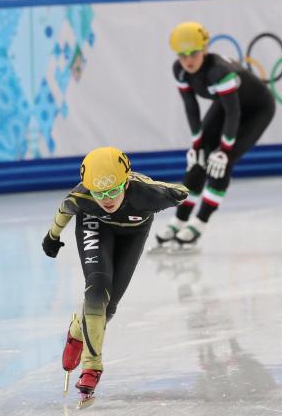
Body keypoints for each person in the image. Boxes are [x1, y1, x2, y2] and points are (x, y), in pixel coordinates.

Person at [41, 146, 188, 400]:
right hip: (94, 226)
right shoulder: (83, 197)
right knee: (97, 290)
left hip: (134, 235)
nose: (107, 199)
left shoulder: (148, 194)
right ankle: (92, 367)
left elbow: (182, 191)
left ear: (126, 182)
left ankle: (78, 329)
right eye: (100, 193)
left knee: (108, 308)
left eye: (114, 191)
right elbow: (64, 211)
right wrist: (51, 237)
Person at [156, 21, 275, 246]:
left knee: (221, 162)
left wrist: (224, 150)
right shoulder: (179, 70)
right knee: (198, 161)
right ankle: (179, 220)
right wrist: (196, 145)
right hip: (228, 103)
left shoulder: (218, 72)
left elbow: (234, 113)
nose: (188, 60)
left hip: (256, 110)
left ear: (205, 50)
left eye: (193, 53)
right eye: (182, 55)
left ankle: (200, 222)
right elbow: (191, 108)